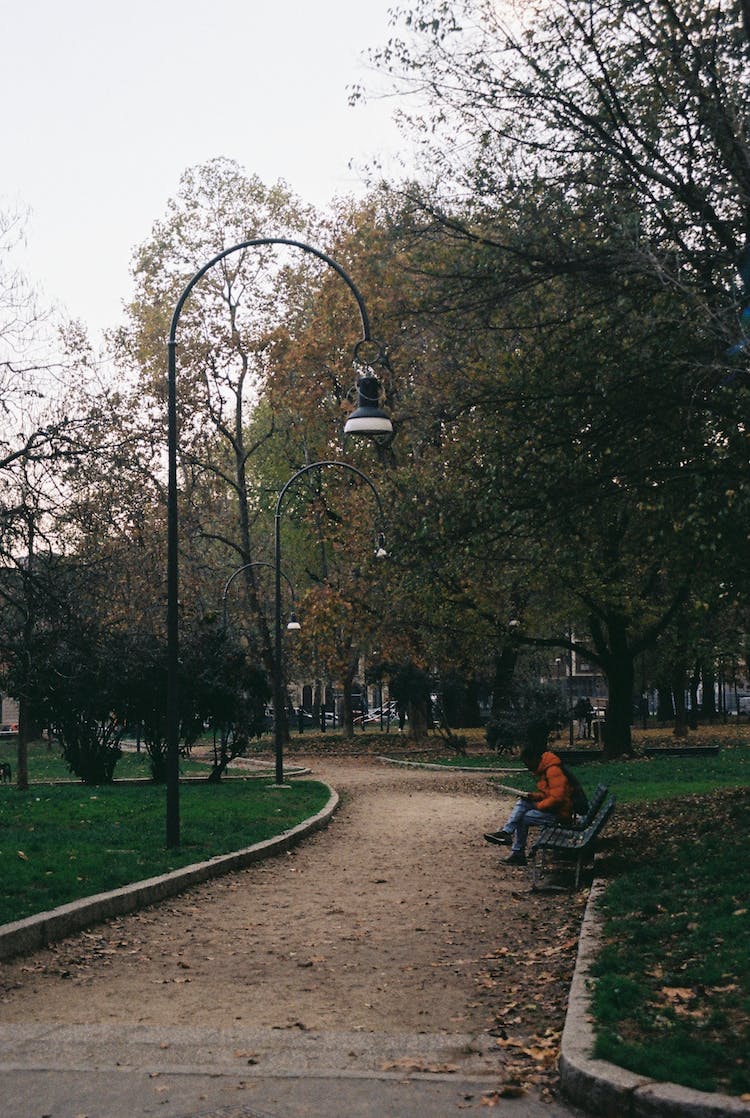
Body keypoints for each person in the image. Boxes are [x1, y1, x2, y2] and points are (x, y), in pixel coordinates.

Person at [483, 722, 574, 866]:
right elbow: (549, 794)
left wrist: (539, 805)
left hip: (560, 814)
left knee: (523, 818)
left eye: (527, 764)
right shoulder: (546, 769)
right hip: (553, 809)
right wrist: (534, 796)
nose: (528, 768)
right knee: (523, 802)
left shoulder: (553, 771)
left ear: (535, 759)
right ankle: (507, 834)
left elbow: (558, 798)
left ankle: (517, 851)